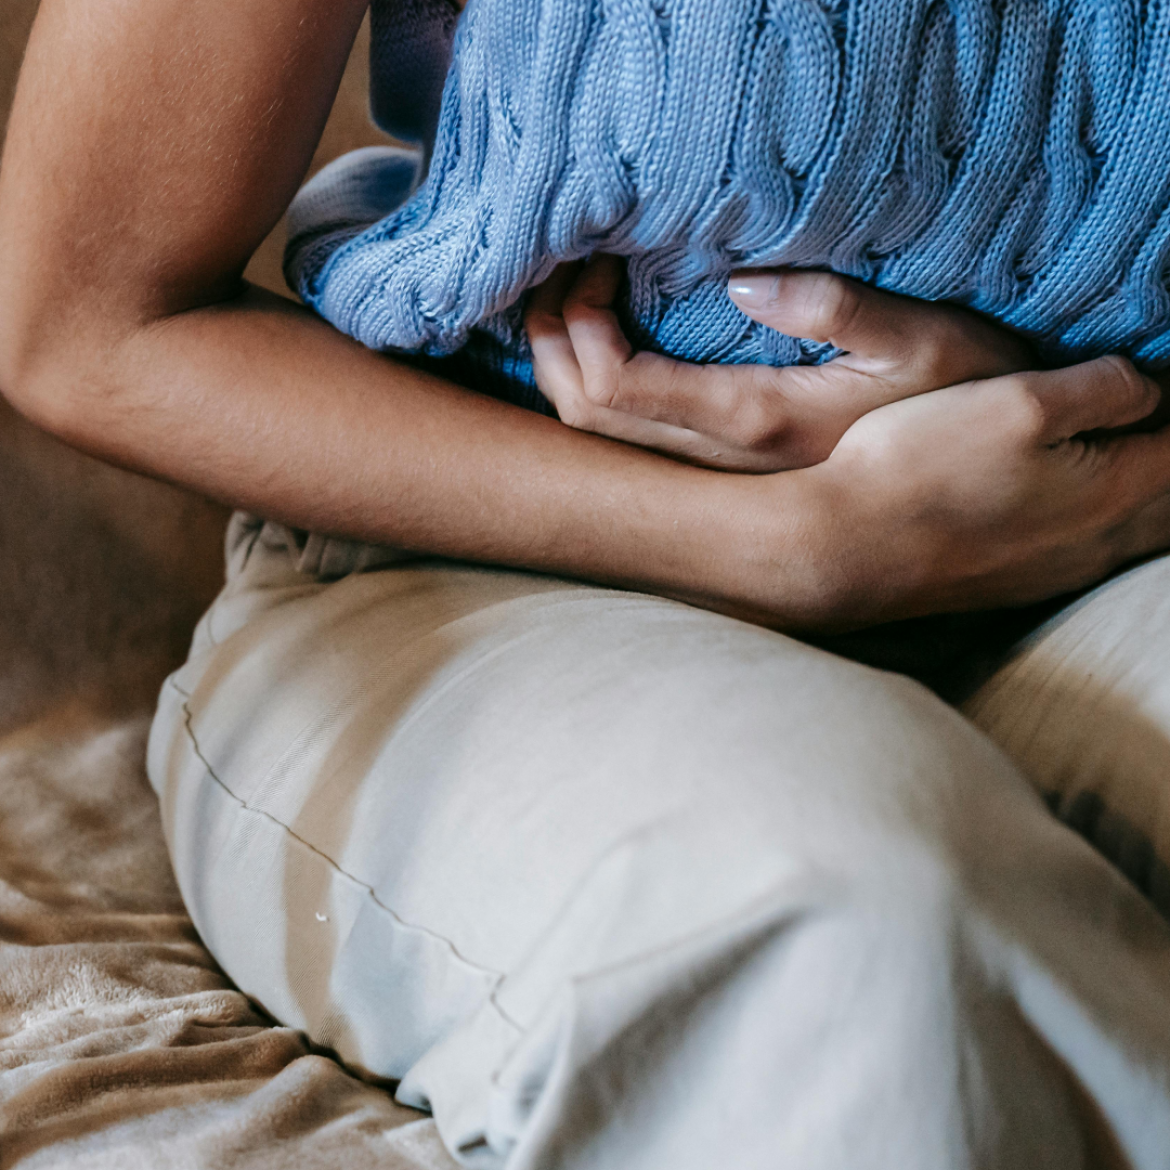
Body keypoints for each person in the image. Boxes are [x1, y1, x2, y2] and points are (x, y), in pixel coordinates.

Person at [4, 1, 1170, 1167]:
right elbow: (88, 324)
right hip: (491, 567)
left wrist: (1070, 418)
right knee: (864, 928)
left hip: (1117, 529)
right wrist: (786, 545)